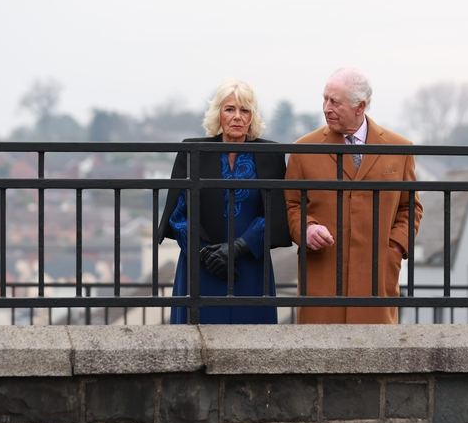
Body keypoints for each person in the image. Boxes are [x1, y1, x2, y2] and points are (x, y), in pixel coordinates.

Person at [284, 68, 423, 324]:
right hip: (322, 274)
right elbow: (291, 204)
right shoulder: (303, 150)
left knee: (375, 354)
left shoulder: (399, 149)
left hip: (377, 276)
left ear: (360, 107)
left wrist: (395, 246)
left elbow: (410, 207)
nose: (326, 108)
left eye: (335, 102)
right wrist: (305, 228)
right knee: (318, 354)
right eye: (324, 99)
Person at [158, 78, 291, 324]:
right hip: (201, 265)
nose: (237, 117)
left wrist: (238, 247)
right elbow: (177, 214)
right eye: (230, 109)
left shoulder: (270, 154)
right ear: (218, 114)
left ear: (252, 117)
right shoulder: (193, 151)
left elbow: (275, 212)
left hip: (250, 263)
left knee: (253, 341)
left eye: (245, 110)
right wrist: (203, 253)